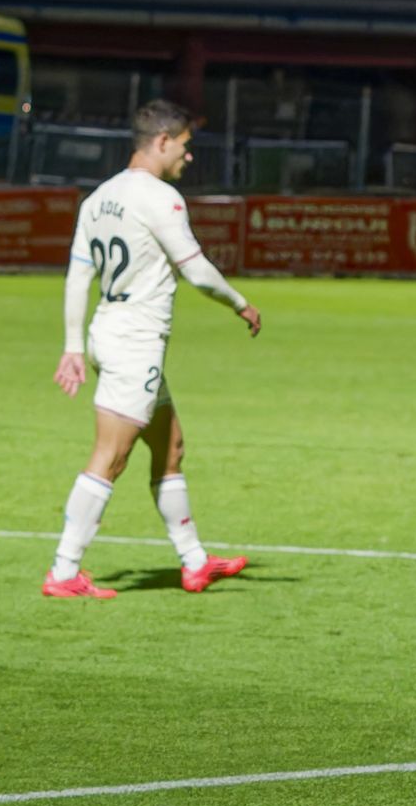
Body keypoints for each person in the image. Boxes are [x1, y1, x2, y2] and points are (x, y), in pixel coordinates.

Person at [45, 100, 258, 599]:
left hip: (109, 334)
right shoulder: (160, 198)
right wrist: (241, 303)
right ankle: (63, 571)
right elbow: (197, 269)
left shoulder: (98, 197)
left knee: (170, 447)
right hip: (134, 344)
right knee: (110, 457)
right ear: (162, 141)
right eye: (185, 146)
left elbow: (79, 275)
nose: (189, 156)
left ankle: (195, 562)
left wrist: (75, 346)